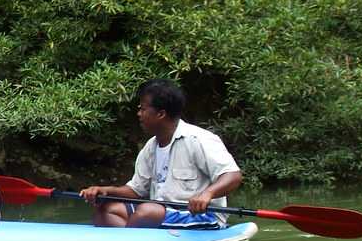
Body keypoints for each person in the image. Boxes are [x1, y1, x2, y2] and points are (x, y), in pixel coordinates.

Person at [80, 79, 242, 229]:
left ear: (161, 114)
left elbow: (233, 176)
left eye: (143, 109)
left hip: (202, 216)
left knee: (147, 212)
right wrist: (105, 191)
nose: (139, 114)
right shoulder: (150, 147)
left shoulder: (199, 139)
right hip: (160, 212)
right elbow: (136, 191)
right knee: (108, 208)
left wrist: (207, 194)